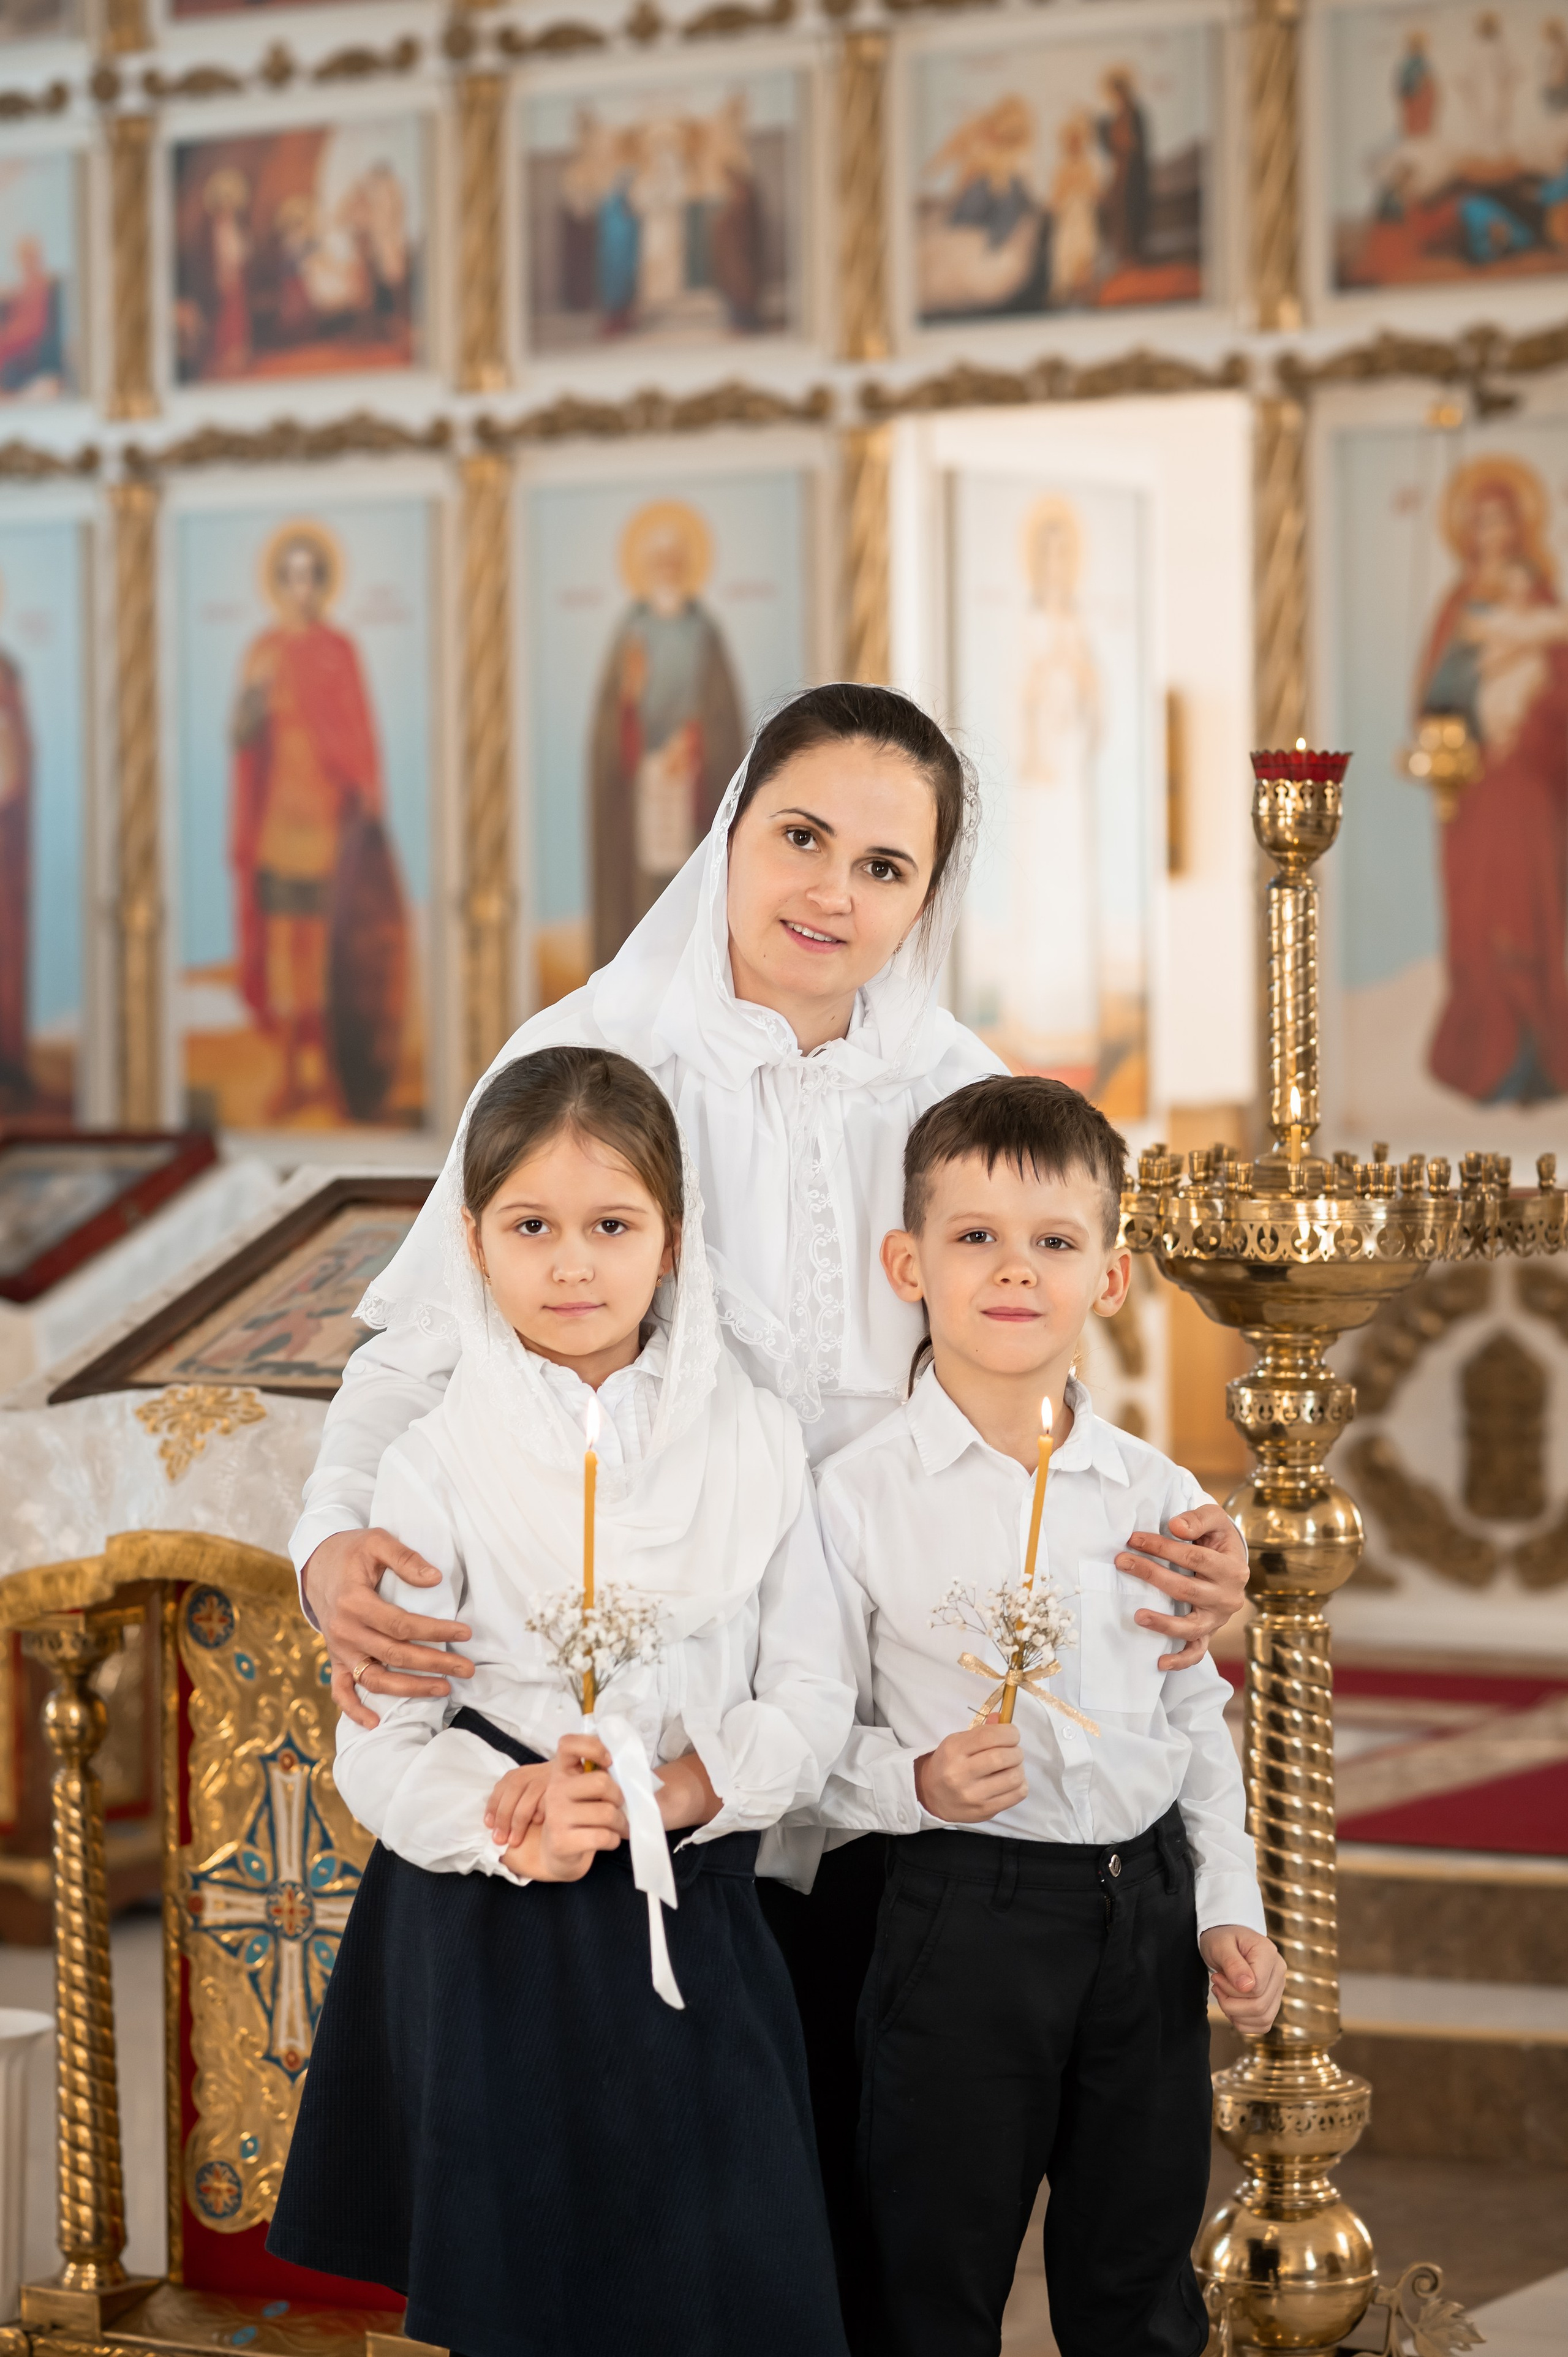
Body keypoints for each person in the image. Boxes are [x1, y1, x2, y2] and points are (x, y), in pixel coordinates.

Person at [290, 684, 1251, 2314]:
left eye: (888, 866)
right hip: (669, 1692)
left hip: (887, 1710)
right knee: (646, 2218)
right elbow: (414, 1350)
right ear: (731, 830)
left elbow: (1019, 1348)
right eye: (802, 837)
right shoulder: (588, 1056)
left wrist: (1150, 1541)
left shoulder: (954, 1084)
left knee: (865, 2220)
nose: (834, 892)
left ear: (928, 895)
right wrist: (328, 1545)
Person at [269, 1046, 853, 2357]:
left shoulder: (754, 1441)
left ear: (673, 1240)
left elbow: (815, 1687)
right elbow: (379, 1739)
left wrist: (694, 1785)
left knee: (717, 2289)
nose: (572, 1264)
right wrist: (500, 1811)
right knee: (517, 2303)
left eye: (611, 1225)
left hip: (689, 1910)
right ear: (471, 1241)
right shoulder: (432, 1457)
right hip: (484, 1937)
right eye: (531, 1226)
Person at [810, 1075, 1283, 2357]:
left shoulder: (1155, 1489)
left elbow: (1193, 1707)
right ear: (906, 1261)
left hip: (1142, 1921)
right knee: (927, 2269)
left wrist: (1226, 1904)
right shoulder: (851, 1500)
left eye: (1054, 1242)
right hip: (955, 1917)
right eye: (974, 1237)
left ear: (1110, 1276)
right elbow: (796, 1737)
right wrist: (911, 1779)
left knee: (1134, 2279)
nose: (1013, 1271)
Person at [230, 521, 409, 1123]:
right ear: (279, 583)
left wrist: (370, 799)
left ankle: (333, 1078)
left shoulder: (339, 652)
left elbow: (361, 737)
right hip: (279, 825)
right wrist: (254, 696)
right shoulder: (264, 652)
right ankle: (288, 1076)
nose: (300, 587)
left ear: (321, 582)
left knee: (331, 959)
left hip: (332, 827)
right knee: (288, 953)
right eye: (291, 576)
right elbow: (241, 738)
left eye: (311, 576)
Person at [1415, 458, 1568, 1102]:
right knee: (1478, 919)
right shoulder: (1457, 605)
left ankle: (1535, 1058)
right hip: (1474, 787)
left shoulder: (1539, 601)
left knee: (1528, 916)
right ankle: (1487, 1060)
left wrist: (1526, 728)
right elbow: (1432, 696)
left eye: (1502, 517)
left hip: (1528, 785)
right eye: (1480, 520)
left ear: (1519, 525)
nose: (1492, 530)